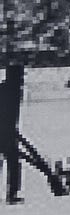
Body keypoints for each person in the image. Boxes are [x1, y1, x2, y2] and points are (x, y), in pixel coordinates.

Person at [0, 62, 23, 204]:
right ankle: (12, 194)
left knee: (10, 163)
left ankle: (12, 194)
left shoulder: (8, 89)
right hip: (6, 132)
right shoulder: (11, 90)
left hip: (8, 131)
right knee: (13, 163)